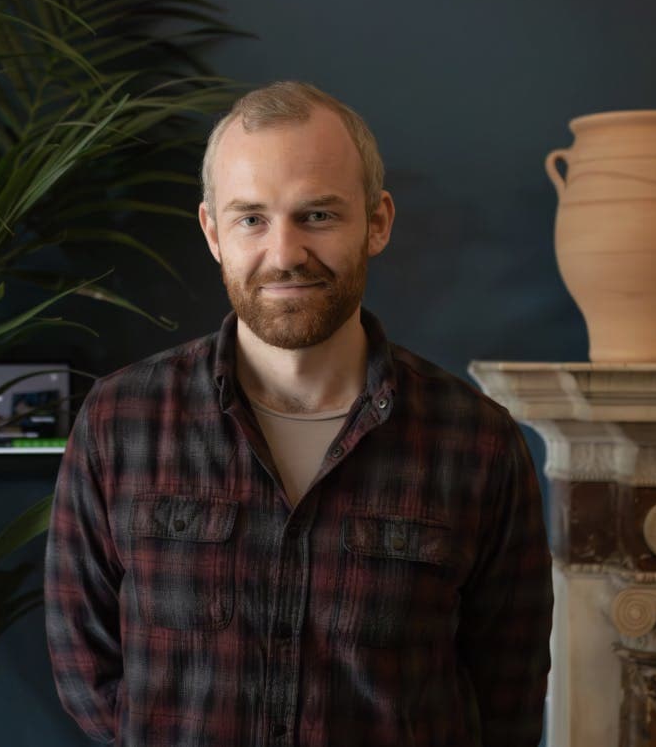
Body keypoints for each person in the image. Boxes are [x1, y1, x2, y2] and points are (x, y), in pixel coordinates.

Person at [45, 81, 553, 747]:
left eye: (317, 215)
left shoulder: (478, 444)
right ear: (212, 232)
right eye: (251, 218)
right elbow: (89, 675)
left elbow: (505, 699)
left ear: (377, 222)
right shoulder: (120, 425)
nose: (284, 254)